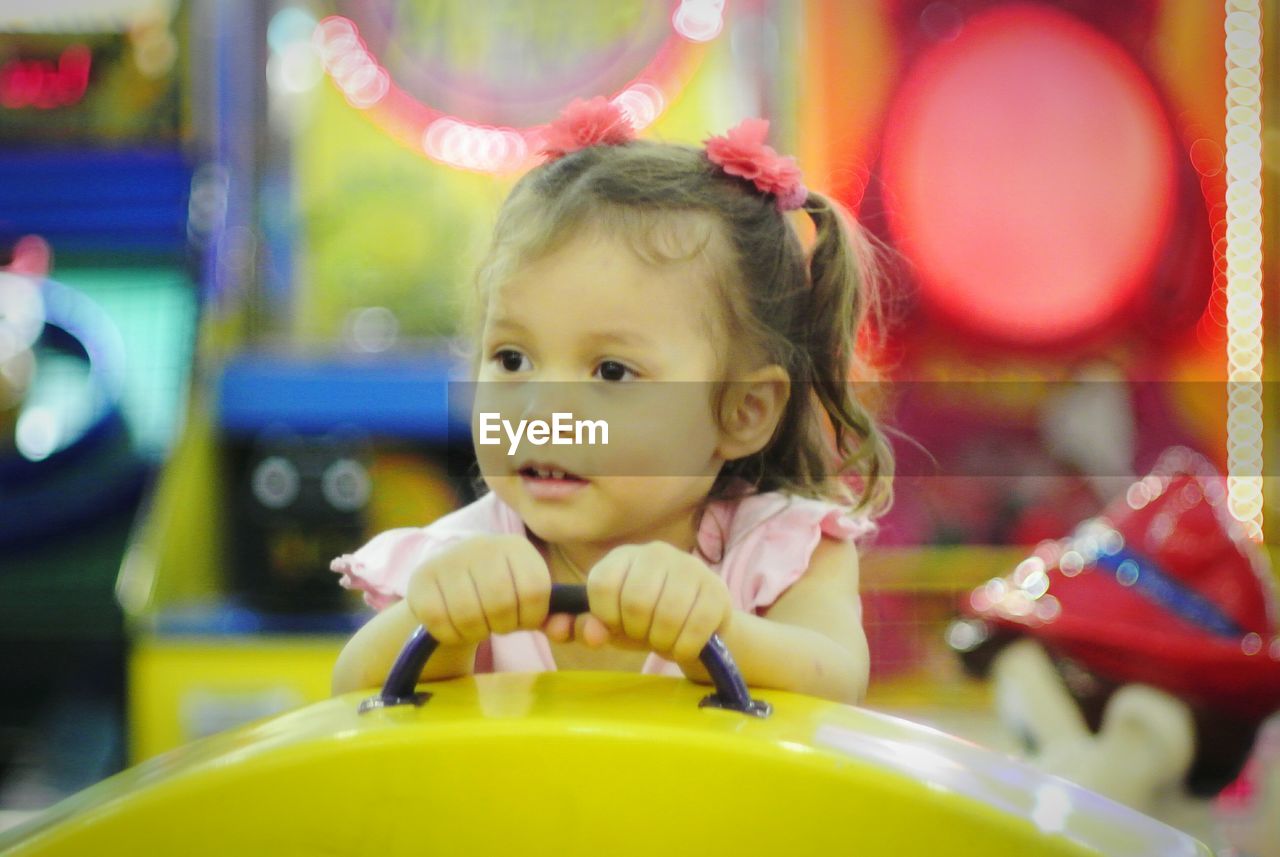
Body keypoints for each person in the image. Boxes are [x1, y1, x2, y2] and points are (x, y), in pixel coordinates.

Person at [330, 98, 893, 704]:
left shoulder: (783, 550)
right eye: (513, 359)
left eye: (612, 371)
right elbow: (352, 691)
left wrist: (719, 630)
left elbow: (837, 681)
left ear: (744, 411)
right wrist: (442, 624)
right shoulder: (461, 555)